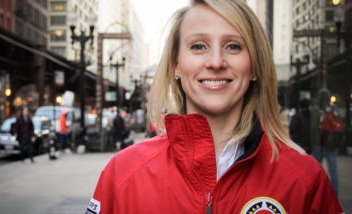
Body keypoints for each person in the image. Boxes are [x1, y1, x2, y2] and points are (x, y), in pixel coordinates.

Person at [87, 1, 342, 213]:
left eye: (233, 46)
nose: (216, 62)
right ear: (176, 64)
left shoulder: (306, 180)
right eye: (198, 46)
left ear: (254, 66)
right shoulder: (122, 174)